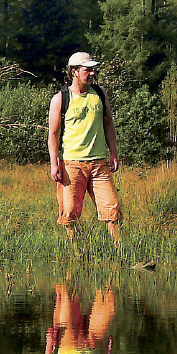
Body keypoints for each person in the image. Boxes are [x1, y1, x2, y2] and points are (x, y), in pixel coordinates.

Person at [48, 51, 121, 244]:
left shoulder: (100, 93)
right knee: (70, 212)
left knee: (112, 209)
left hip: (99, 163)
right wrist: (54, 163)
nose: (92, 73)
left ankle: (119, 250)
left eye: (93, 70)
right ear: (74, 72)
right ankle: (77, 252)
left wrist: (113, 152)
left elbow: (108, 123)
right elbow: (53, 133)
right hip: (71, 164)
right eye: (87, 70)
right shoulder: (60, 99)